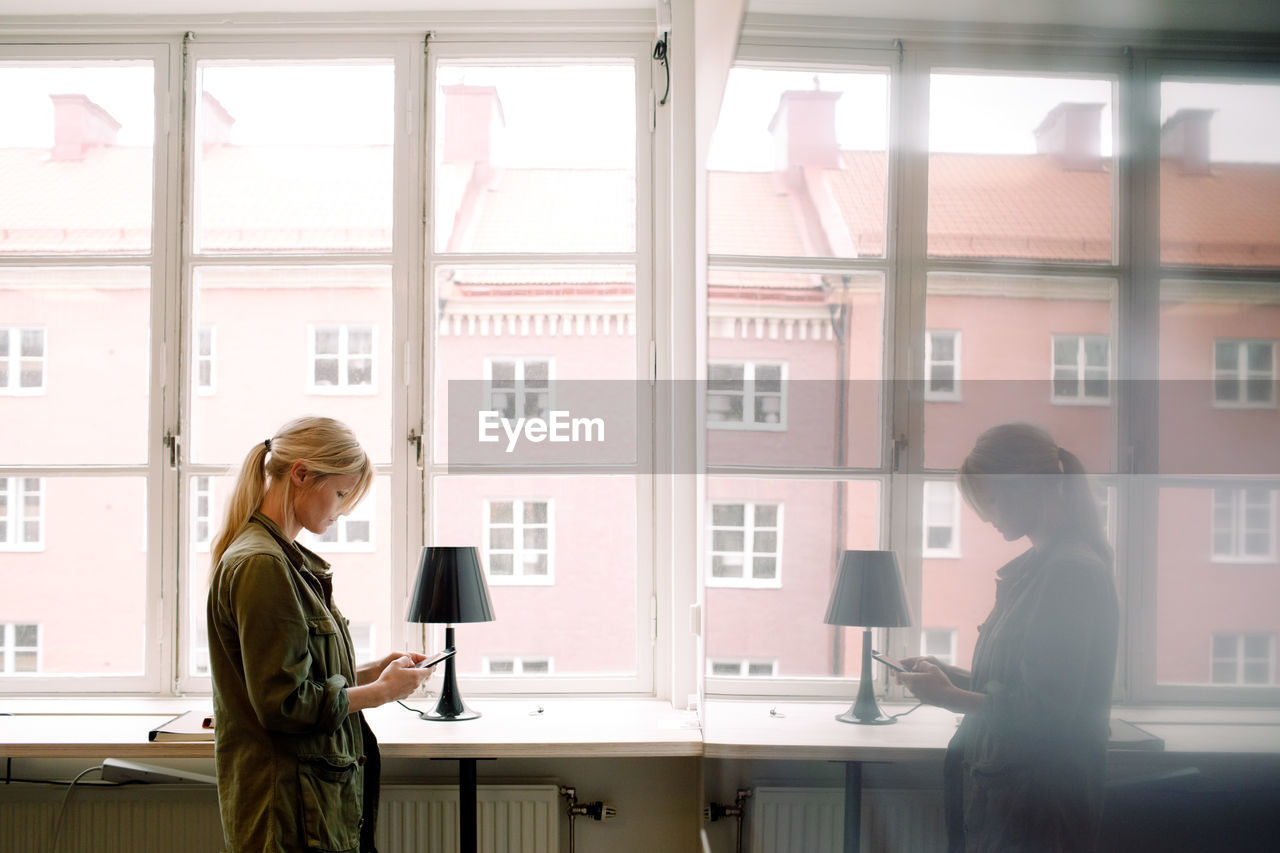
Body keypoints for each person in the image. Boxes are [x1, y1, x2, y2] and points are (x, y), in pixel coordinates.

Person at [207, 416, 436, 853]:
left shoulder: (282, 559)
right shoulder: (263, 565)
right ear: (301, 475)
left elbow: (301, 672)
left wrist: (371, 671)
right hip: (290, 810)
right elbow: (285, 704)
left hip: (308, 804)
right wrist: (382, 692)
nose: (343, 509)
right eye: (340, 493)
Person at [896, 422, 1119, 853]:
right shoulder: (1039, 568)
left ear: (1026, 487)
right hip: (1017, 798)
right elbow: (1021, 685)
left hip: (1039, 808)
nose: (986, 515)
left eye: (992, 499)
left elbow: (1046, 713)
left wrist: (946, 696)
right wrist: (950, 676)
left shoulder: (1069, 573)